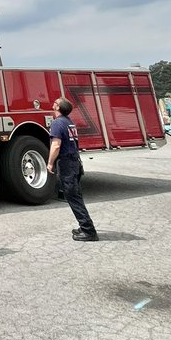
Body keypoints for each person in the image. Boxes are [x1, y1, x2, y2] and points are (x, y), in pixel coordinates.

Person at [47, 97, 98, 242]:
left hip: (67, 164)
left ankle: (88, 231)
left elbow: (56, 145)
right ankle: (84, 227)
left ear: (57, 107)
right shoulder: (69, 122)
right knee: (76, 195)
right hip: (75, 162)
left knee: (73, 197)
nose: (53, 103)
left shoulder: (57, 123)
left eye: (55, 102)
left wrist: (50, 163)